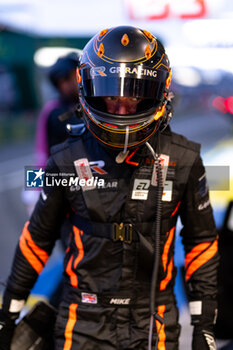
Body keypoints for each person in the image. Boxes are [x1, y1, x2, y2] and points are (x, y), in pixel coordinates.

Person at [0, 26, 218, 350]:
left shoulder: (184, 158)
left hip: (153, 319)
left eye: (133, 97)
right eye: (112, 97)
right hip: (81, 319)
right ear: (89, 92)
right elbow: (38, 237)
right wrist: (8, 312)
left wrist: (204, 326)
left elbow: (201, 241)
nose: (121, 109)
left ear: (158, 94)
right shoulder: (66, 158)